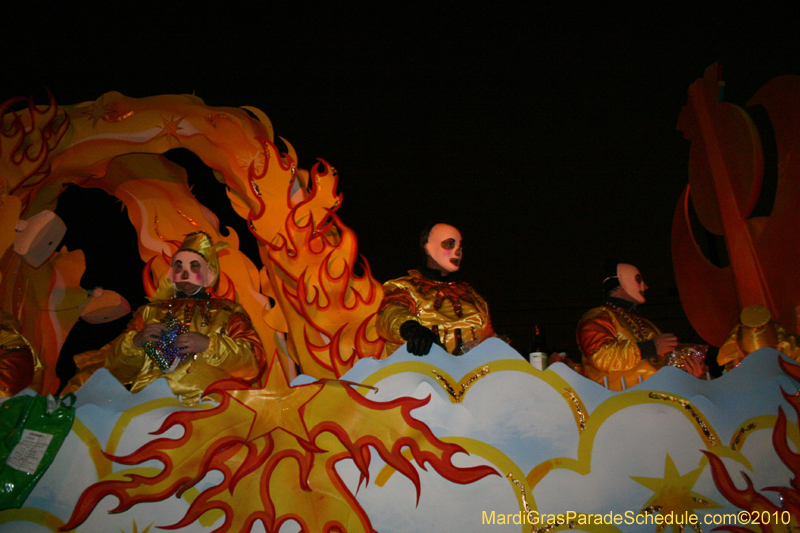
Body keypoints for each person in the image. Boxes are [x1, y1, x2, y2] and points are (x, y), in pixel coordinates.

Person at [101, 231, 265, 404]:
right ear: (172, 274)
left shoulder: (228, 312)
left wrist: (209, 345)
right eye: (179, 265)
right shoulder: (150, 312)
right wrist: (136, 342)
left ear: (210, 275)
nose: (185, 271)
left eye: (194, 265)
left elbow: (253, 365)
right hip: (149, 408)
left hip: (210, 409)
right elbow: (116, 373)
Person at [577, 261, 703, 390]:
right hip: (622, 403)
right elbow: (600, 356)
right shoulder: (598, 317)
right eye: (639, 280)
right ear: (620, 285)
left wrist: (687, 372)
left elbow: (664, 363)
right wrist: (648, 348)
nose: (645, 286)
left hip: (658, 400)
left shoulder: (646, 324)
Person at [377, 223, 494, 356]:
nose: (458, 251)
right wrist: (410, 328)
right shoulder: (404, 286)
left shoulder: (472, 295)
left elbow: (489, 337)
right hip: (419, 372)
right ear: (428, 248)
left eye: (460, 247)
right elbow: (392, 313)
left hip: (469, 374)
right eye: (449, 244)